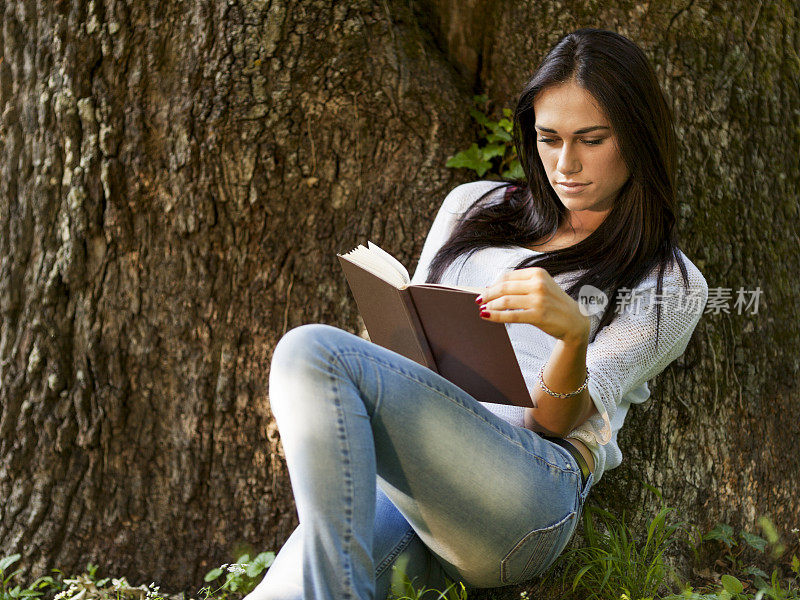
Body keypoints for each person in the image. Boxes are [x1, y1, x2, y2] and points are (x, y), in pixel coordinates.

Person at [245, 27, 709, 600]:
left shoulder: (670, 281)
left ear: (637, 137)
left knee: (309, 351)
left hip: (525, 492)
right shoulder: (475, 205)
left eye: (591, 139)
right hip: (417, 481)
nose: (565, 163)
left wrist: (570, 337)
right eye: (549, 138)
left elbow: (555, 425)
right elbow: (407, 350)